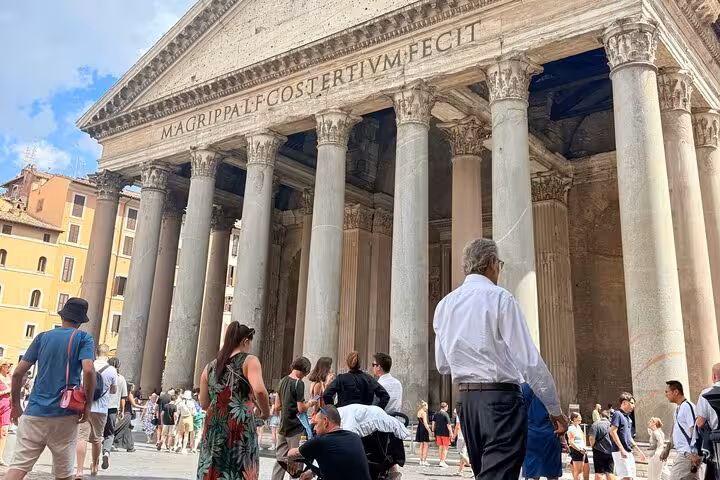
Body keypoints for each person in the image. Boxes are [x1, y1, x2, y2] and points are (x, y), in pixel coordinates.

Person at [433, 239, 567, 479]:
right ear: (492, 263)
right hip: (501, 401)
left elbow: (443, 365)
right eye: (499, 264)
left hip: (467, 402)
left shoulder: (445, 305)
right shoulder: (501, 298)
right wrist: (554, 409)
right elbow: (530, 363)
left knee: (486, 473)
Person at [4, 297, 96, 480]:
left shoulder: (42, 337)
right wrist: (87, 405)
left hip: (34, 412)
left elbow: (17, 374)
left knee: (18, 468)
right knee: (64, 474)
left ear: (62, 317)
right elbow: (88, 370)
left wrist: (15, 404)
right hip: (65, 414)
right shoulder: (84, 338)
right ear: (80, 321)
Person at [197, 322, 270, 480]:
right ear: (245, 341)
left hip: (213, 423)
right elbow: (259, 390)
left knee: (213, 464)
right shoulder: (249, 361)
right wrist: (265, 412)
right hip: (239, 421)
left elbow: (203, 403)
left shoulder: (209, 367)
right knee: (239, 466)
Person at [287, 405, 371, 480]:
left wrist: (290, 460)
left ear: (325, 422)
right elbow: (340, 468)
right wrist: (313, 472)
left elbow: (291, 453)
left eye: (316, 424)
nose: (314, 429)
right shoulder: (355, 437)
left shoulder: (320, 441)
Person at [75, 344, 117, 478]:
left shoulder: (88, 367)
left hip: (85, 406)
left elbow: (81, 385)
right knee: (97, 438)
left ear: (95, 353)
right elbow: (114, 390)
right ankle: (94, 465)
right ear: (108, 354)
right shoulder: (111, 370)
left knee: (81, 438)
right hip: (102, 409)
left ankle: (79, 470)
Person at [271, 356, 316, 480]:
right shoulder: (298, 383)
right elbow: (301, 408)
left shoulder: (282, 381)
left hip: (283, 427)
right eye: (306, 373)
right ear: (304, 370)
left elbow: (277, 406)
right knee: (296, 462)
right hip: (296, 428)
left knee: (280, 461)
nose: (305, 376)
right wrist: (310, 403)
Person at [660, 380, 701, 479]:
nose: (665, 394)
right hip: (683, 453)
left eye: (667, 392)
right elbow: (676, 432)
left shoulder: (688, 406)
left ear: (676, 392)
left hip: (687, 454)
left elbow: (694, 430)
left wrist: (694, 453)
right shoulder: (678, 409)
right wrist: (667, 449)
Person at [521, 383, 563, 480]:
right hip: (550, 433)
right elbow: (556, 411)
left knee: (532, 473)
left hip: (530, 434)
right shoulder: (546, 384)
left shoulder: (522, 387)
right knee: (552, 474)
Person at [322, 351, 389, 409]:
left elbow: (326, 394)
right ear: (360, 363)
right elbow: (385, 396)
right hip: (364, 416)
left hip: (345, 415)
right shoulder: (369, 378)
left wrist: (334, 409)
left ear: (347, 363)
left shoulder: (341, 378)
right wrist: (376, 411)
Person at [609, 392, 646, 480]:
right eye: (632, 403)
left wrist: (639, 451)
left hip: (628, 451)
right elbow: (612, 431)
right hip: (619, 451)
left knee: (631, 477)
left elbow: (628, 436)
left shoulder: (628, 419)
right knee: (627, 478)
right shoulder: (617, 414)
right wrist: (621, 449)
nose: (633, 406)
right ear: (624, 402)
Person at [102, 357, 126, 467]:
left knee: (97, 434)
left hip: (100, 407)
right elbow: (123, 397)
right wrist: (122, 411)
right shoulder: (121, 379)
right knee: (109, 433)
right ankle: (106, 452)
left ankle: (94, 461)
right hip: (113, 408)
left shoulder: (104, 374)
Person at [588, 410, 615, 480]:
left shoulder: (596, 424)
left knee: (599, 472)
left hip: (598, 450)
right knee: (610, 472)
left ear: (600, 416)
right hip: (610, 451)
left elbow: (591, 438)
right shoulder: (612, 425)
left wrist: (592, 446)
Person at [113, 383, 139, 452]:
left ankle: (130, 446)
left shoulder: (126, 395)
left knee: (127, 430)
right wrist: (143, 407)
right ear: (130, 388)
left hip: (127, 413)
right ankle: (111, 441)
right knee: (121, 428)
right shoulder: (130, 395)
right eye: (133, 387)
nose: (134, 389)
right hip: (127, 414)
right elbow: (134, 405)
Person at [568, 412, 590, 480]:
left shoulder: (578, 427)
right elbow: (571, 442)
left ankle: (571, 464)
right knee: (579, 471)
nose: (581, 419)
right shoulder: (572, 428)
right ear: (574, 418)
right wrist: (579, 449)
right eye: (579, 417)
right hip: (577, 450)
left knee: (587, 469)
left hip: (582, 450)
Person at [0, 358, 13, 466]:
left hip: (7, 407)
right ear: (2, 366)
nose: (9, 367)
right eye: (8, 365)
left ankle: (0, 458)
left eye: (10, 365)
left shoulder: (9, 377)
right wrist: (6, 391)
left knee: (4, 432)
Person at [432, 402, 452, 467]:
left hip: (438, 433)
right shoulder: (446, 414)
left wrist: (433, 431)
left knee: (440, 447)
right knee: (445, 447)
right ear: (445, 407)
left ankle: (440, 460)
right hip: (445, 433)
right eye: (447, 407)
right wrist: (451, 432)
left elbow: (433, 423)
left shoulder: (436, 414)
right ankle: (442, 461)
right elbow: (448, 425)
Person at [453, 408, 470, 476]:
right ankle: (460, 471)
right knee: (463, 454)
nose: (454, 413)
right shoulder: (468, 415)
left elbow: (457, 427)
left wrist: (454, 436)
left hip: (461, 437)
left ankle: (471, 465)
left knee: (460, 453)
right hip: (467, 437)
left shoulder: (459, 416)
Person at [415, 400, 432, 466]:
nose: (427, 406)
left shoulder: (418, 412)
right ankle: (424, 460)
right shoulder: (424, 413)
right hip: (424, 429)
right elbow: (425, 423)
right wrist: (429, 431)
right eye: (427, 405)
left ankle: (421, 460)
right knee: (426, 445)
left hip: (419, 428)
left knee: (421, 445)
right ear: (424, 406)